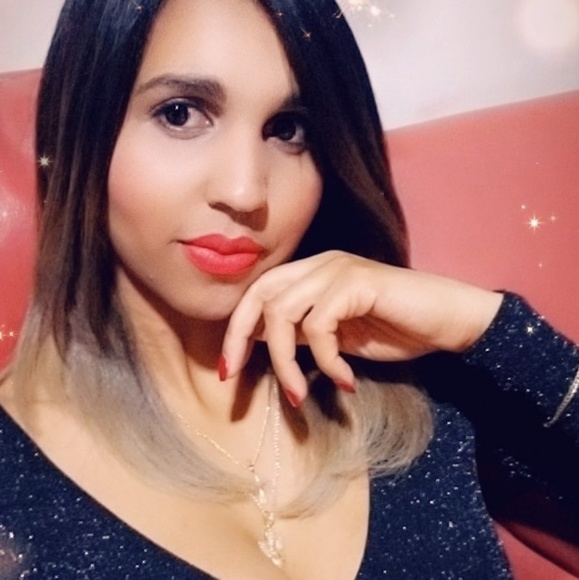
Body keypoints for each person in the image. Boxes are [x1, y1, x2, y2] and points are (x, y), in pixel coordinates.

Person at [0, 0, 577, 578]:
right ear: (80, 131)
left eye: (288, 129)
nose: (246, 191)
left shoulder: (418, 382)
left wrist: (484, 325)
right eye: (180, 114)